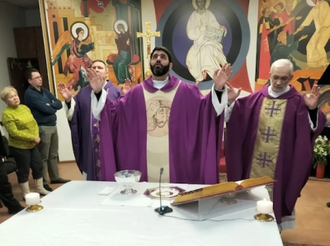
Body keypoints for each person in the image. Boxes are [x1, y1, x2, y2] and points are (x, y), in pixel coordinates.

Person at [90, 46, 230, 184]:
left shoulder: (186, 91)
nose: (158, 59)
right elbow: (113, 114)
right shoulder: (136, 93)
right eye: (155, 57)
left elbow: (207, 110)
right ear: (150, 63)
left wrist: (218, 88)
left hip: (178, 161)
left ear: (170, 65)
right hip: (143, 160)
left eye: (162, 57)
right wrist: (97, 92)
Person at [225, 59, 326, 229]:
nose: (279, 82)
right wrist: (229, 103)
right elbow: (235, 119)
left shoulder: (298, 102)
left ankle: (275, 231)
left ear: (291, 77)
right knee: (251, 201)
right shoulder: (255, 99)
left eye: (284, 78)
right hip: (253, 164)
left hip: (282, 165)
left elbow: (311, 129)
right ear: (270, 76)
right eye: (275, 77)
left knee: (278, 195)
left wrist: (312, 110)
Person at [58, 60, 122, 180]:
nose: (96, 69)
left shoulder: (116, 92)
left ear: (107, 73)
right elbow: (74, 116)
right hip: (90, 144)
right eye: (93, 67)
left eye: (100, 68)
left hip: (111, 143)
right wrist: (68, 101)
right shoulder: (83, 92)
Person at [24, 68, 70, 192]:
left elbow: (58, 104)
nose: (40, 79)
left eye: (40, 76)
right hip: (42, 127)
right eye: (36, 77)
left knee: (53, 154)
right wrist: (50, 106)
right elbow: (46, 109)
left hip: (52, 125)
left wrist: (50, 105)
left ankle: (55, 177)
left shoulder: (44, 91)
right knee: (43, 156)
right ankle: (43, 182)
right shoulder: (30, 94)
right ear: (30, 81)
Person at [1, 86, 50, 197]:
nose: (15, 98)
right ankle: (26, 193)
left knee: (38, 165)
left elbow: (34, 123)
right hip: (19, 147)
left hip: (32, 145)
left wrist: (36, 136)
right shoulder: (7, 114)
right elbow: (14, 133)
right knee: (23, 170)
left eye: (15, 95)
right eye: (11, 97)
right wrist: (32, 138)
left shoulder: (24, 108)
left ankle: (40, 188)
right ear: (6, 101)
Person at [186, 0, 227, 85]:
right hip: (198, 42)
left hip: (210, 41)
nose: (200, 4)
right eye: (199, 2)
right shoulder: (193, 16)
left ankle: (215, 74)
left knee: (207, 50)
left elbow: (216, 26)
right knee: (191, 58)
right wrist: (200, 29)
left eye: (202, 2)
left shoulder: (209, 14)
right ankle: (202, 74)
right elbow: (190, 32)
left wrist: (221, 28)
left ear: (205, 3)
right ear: (196, 3)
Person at [295, 0, 330, 68]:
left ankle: (324, 64)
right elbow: (308, 19)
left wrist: (323, 27)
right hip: (319, 30)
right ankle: (311, 64)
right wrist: (300, 28)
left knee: (319, 46)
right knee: (309, 46)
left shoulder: (324, 4)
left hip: (327, 28)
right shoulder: (314, 9)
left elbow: (328, 16)